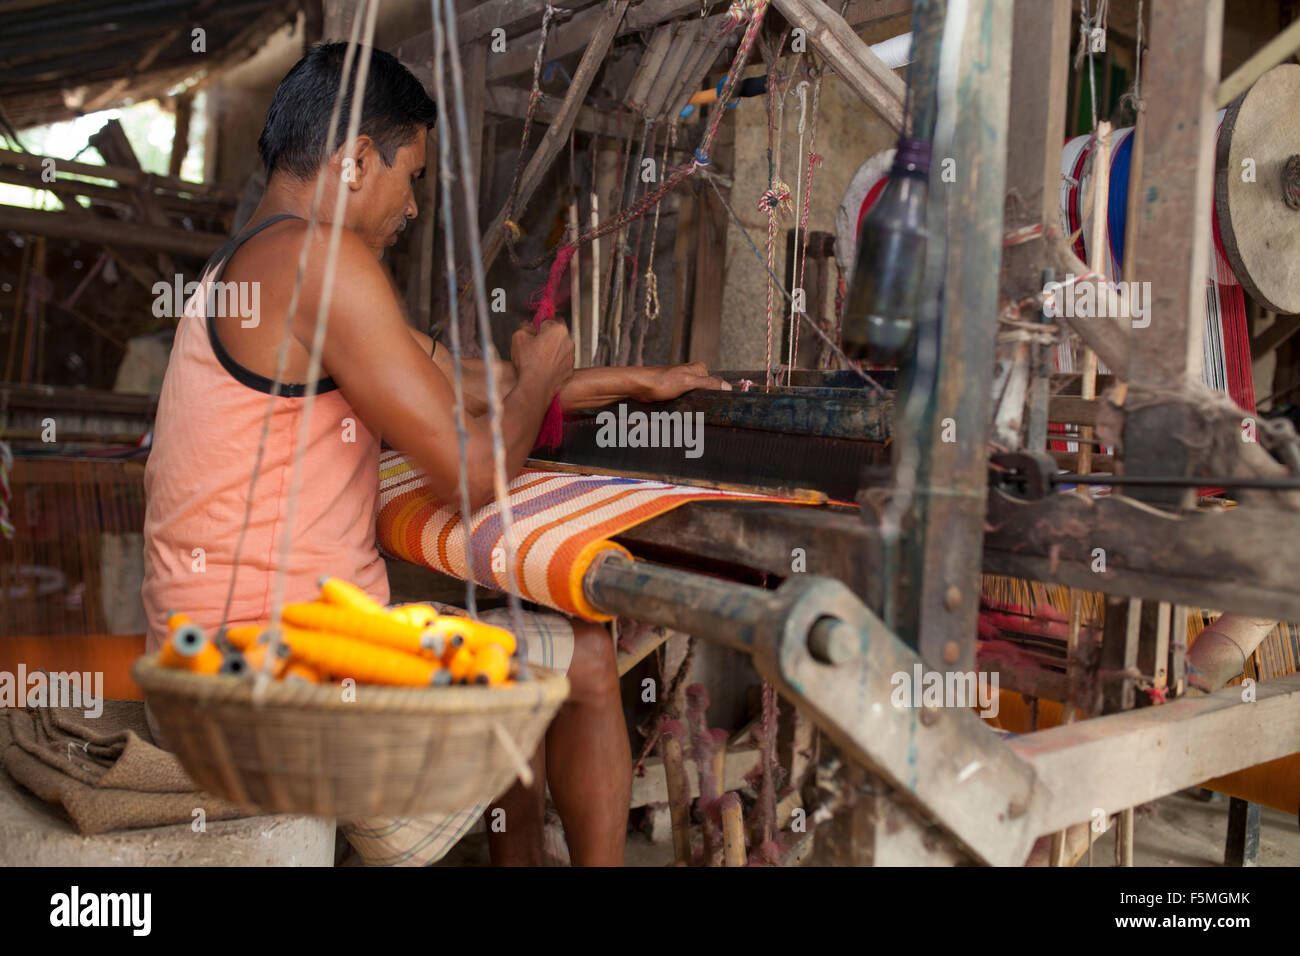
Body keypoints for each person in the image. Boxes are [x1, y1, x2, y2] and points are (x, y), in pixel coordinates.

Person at [140, 42, 730, 866]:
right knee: (587, 659)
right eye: (410, 175)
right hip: (283, 678)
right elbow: (470, 477)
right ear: (353, 162)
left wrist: (633, 380)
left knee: (506, 661)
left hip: (207, 655)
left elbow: (463, 379)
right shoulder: (324, 263)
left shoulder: (252, 264)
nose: (414, 205)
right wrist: (539, 378)